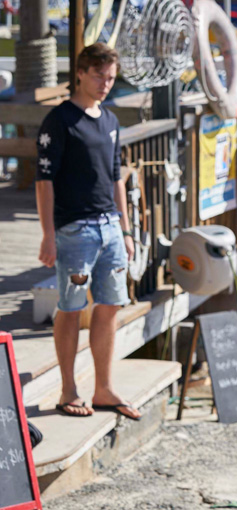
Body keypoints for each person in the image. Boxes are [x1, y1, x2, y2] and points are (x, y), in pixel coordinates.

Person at [35, 43, 141, 420]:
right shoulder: (60, 120)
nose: (105, 84)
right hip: (74, 230)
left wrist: (126, 231)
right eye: (98, 76)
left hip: (111, 227)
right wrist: (48, 234)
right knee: (71, 307)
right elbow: (44, 181)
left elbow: (116, 177)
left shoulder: (110, 120)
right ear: (80, 73)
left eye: (110, 78)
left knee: (110, 305)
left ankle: (104, 387)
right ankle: (68, 388)